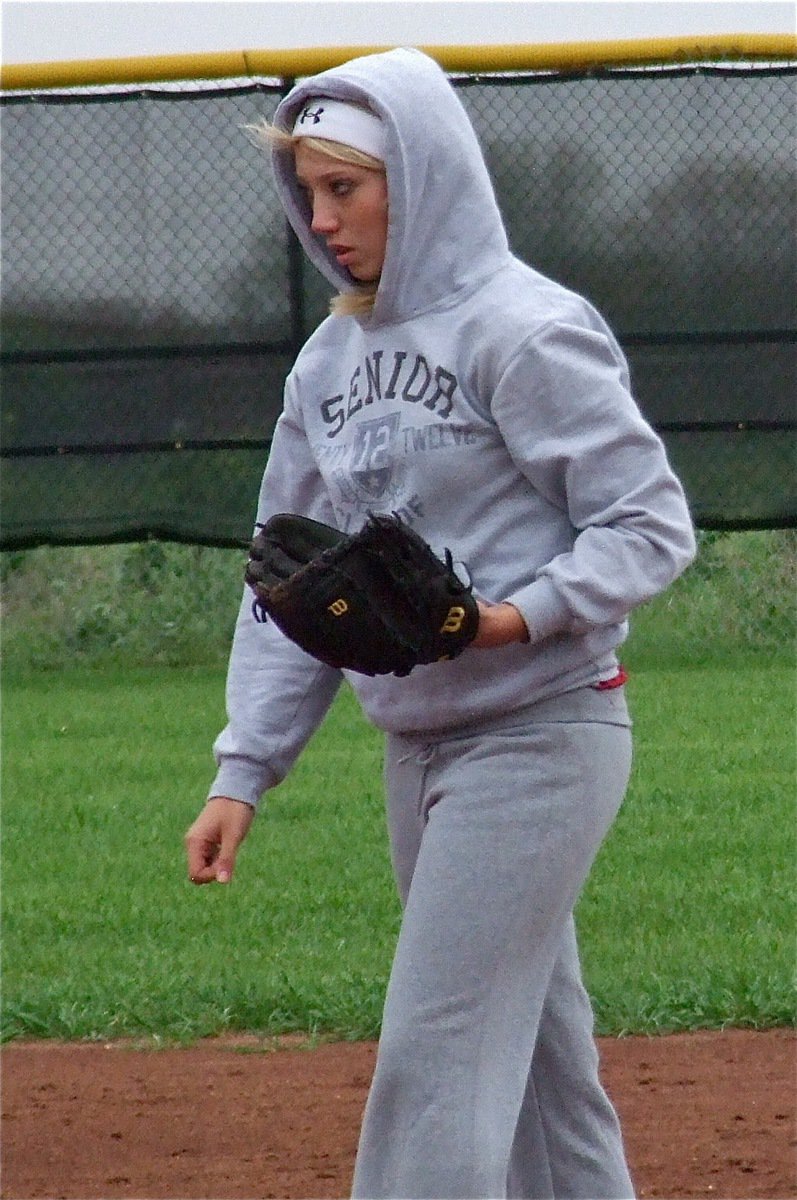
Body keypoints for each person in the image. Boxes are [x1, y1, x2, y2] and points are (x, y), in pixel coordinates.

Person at [185, 47, 696, 1198]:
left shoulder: (522, 329)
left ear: (417, 178)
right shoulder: (325, 365)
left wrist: (511, 618)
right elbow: (285, 581)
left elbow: (647, 525)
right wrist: (242, 770)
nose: (321, 221)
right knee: (542, 1089)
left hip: (538, 739)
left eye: (346, 189)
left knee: (436, 1060)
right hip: (415, 754)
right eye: (307, 193)